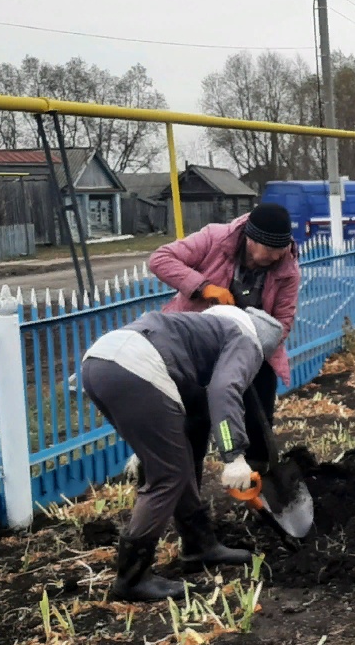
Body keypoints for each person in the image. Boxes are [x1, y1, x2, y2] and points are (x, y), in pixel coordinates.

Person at [81, 305, 285, 602]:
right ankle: (132, 578)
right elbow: (223, 390)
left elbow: (195, 421)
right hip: (134, 366)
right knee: (169, 475)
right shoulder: (246, 339)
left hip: (100, 364)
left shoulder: (200, 334)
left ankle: (199, 546)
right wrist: (233, 455)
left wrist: (150, 448)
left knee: (178, 463)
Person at [149, 203, 300, 469]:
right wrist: (204, 288)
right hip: (198, 345)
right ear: (251, 239)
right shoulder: (215, 239)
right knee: (194, 420)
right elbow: (160, 260)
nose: (278, 256)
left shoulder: (287, 269)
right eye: (271, 249)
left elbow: (283, 321)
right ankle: (186, 481)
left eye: (282, 249)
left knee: (258, 419)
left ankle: (257, 476)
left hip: (253, 347)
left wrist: (255, 348)